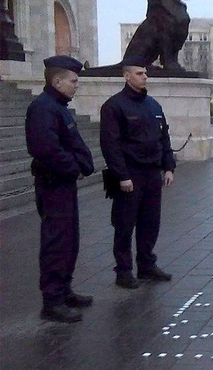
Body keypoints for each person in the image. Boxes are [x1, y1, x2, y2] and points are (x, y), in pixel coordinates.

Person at [25, 56, 95, 323]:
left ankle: (64, 290)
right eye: (73, 81)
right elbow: (45, 148)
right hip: (53, 185)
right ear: (57, 81)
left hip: (62, 185)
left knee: (69, 240)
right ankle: (52, 301)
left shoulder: (58, 106)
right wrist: (74, 167)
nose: (76, 85)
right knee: (56, 242)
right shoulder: (43, 108)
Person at [100, 56, 176, 289]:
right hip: (130, 174)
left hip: (152, 173)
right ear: (126, 76)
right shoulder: (114, 106)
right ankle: (123, 271)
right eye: (139, 73)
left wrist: (168, 166)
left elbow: (163, 137)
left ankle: (146, 265)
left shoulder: (153, 105)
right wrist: (122, 176)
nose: (145, 76)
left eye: (145, 73)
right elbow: (110, 144)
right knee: (124, 224)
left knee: (150, 223)